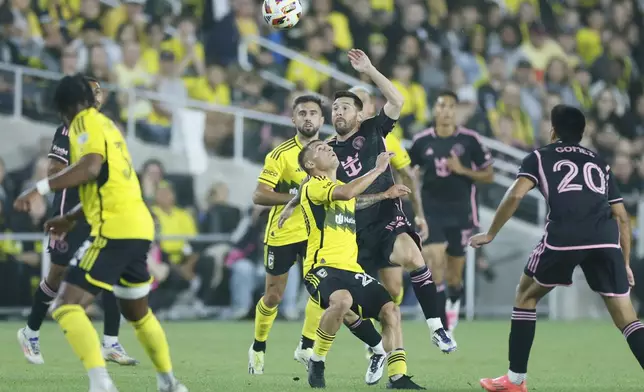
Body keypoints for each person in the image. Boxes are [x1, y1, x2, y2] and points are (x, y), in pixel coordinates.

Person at [13, 74, 187, 392]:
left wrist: (36, 188)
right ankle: (169, 383)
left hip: (114, 229)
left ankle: (101, 382)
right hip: (138, 226)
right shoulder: (110, 127)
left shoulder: (81, 122)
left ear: (65, 108)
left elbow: (90, 168)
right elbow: (109, 180)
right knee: (138, 312)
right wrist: (70, 217)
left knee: (66, 305)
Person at [283, 49, 454, 352]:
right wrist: (290, 205)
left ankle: (437, 328)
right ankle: (336, 348)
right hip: (353, 234)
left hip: (387, 220)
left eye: (345, 107)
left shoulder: (375, 130)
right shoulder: (328, 151)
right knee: (350, 305)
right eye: (335, 108)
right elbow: (312, 184)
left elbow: (398, 101)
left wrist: (370, 69)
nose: (338, 112)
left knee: (415, 259)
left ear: (360, 115)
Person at [470, 104, 644, 392]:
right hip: (605, 239)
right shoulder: (598, 161)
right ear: (582, 132)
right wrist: (623, 262)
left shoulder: (539, 157)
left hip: (565, 236)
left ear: (553, 130)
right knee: (627, 318)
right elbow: (622, 216)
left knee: (525, 295)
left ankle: (514, 381)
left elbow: (515, 195)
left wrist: (490, 233)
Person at [17, 76, 138, 367]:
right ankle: (30, 331)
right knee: (56, 276)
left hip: (96, 211)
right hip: (68, 210)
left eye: (99, 91)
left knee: (109, 272)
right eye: (92, 92)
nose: (97, 96)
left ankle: (110, 342)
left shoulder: (104, 128)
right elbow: (54, 168)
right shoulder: (68, 129)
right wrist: (83, 170)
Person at [298, 140, 425, 390]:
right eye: (320, 149)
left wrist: (385, 195)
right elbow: (346, 195)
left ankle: (398, 376)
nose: (327, 148)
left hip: (351, 269)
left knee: (391, 310)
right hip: (321, 268)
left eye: (327, 146)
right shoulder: (313, 186)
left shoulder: (341, 188)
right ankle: (318, 360)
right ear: (310, 164)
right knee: (342, 301)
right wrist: (378, 170)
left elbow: (353, 201)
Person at [247, 94, 326, 374]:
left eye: (313, 113)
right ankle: (258, 346)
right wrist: (296, 195)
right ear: (293, 119)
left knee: (321, 289)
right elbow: (259, 195)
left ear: (321, 119)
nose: (308, 117)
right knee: (273, 296)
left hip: (316, 233)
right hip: (283, 231)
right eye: (302, 113)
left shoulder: (329, 153)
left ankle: (306, 346)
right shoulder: (279, 154)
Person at [409, 91, 494, 334]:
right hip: (431, 211)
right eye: (441, 105)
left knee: (454, 276)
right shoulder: (422, 141)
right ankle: (441, 328)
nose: (445, 110)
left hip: (461, 212)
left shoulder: (470, 140)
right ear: (434, 110)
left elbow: (488, 175)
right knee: (434, 263)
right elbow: (408, 169)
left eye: (450, 106)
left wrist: (463, 169)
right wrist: (411, 178)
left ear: (455, 111)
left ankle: (453, 301)